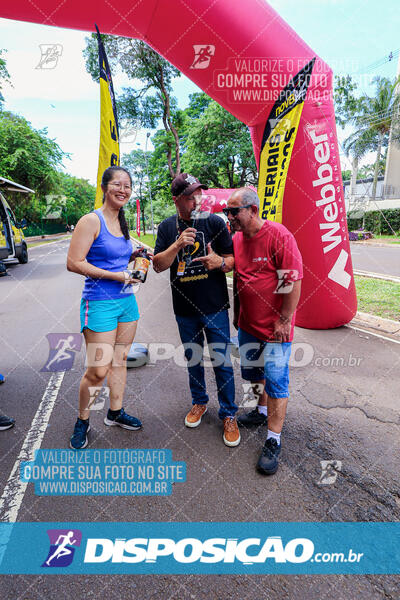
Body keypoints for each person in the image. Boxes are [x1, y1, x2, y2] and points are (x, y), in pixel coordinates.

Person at [153, 173, 240, 447]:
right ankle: (199, 402)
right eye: (190, 197)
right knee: (193, 360)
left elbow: (232, 258)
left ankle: (229, 413)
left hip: (214, 306)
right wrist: (177, 244)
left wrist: (220, 263)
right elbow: (157, 264)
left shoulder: (215, 222)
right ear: (177, 200)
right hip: (184, 309)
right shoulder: (167, 227)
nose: (197, 201)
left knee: (222, 362)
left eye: (199, 195)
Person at [67, 166, 146, 450]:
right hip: (99, 304)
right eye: (117, 184)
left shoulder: (121, 222)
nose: (123, 190)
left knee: (120, 361)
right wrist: (117, 276)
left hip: (126, 302)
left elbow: (117, 256)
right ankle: (82, 421)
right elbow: (74, 262)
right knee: (98, 370)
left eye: (128, 185)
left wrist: (133, 255)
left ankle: (115, 412)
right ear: (104, 187)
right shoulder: (91, 220)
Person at [225, 187, 303, 474]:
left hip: (274, 329)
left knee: (276, 381)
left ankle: (273, 439)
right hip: (247, 326)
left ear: (253, 210)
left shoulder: (279, 236)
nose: (229, 216)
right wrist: (237, 315)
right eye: (227, 212)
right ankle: (259, 413)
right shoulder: (236, 238)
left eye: (234, 211)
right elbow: (238, 276)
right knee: (253, 373)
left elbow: (291, 281)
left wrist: (283, 320)